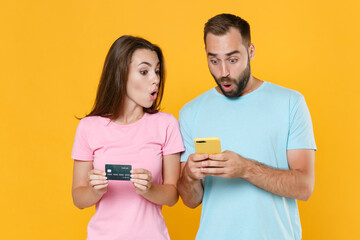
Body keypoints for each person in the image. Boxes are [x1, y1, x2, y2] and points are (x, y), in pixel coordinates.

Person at [177, 13, 316, 240]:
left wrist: (246, 169)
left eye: (232, 60)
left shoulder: (290, 103)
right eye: (214, 60)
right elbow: (191, 201)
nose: (223, 72)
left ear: (250, 51)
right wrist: (190, 177)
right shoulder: (191, 112)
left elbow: (304, 187)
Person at [71, 35, 184, 240]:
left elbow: (172, 195)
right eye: (144, 71)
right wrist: (95, 191)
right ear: (120, 74)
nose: (156, 79)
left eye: (157, 71)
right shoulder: (88, 127)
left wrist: (150, 189)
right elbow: (78, 198)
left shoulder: (166, 124)